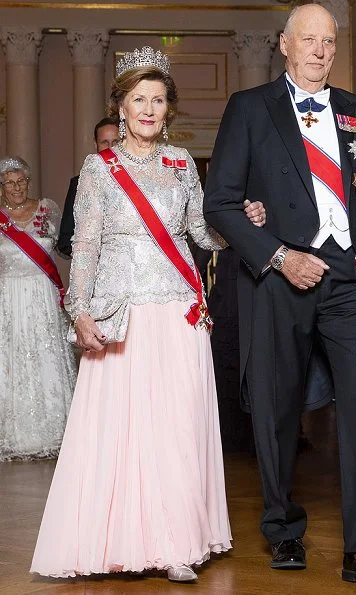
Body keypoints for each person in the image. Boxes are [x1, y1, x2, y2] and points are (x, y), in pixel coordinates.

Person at [30, 46, 265, 582]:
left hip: (179, 311)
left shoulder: (182, 164)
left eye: (158, 100)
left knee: (176, 428)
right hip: (124, 313)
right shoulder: (99, 167)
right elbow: (84, 245)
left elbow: (205, 236)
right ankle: (114, 539)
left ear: (169, 109)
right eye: (140, 99)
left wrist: (243, 219)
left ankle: (177, 542)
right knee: (123, 429)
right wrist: (79, 310)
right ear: (122, 106)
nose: (150, 109)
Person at [204, 4, 356, 585]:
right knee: (275, 407)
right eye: (309, 40)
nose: (321, 50)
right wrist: (278, 256)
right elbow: (220, 200)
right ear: (285, 45)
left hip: (351, 280)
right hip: (280, 273)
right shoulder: (249, 108)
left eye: (330, 41)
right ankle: (282, 528)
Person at [0, 156, 77, 461]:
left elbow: (68, 247)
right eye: (8, 183)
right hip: (6, 297)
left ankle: (53, 432)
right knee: (11, 358)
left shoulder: (48, 210)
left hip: (43, 297)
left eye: (21, 181)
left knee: (47, 357)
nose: (16, 188)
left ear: (29, 182)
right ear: (1, 186)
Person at [57, 117, 119, 258]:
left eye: (116, 142)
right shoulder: (79, 183)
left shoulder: (140, 181)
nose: (111, 148)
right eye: (105, 142)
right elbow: (66, 239)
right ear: (95, 144)